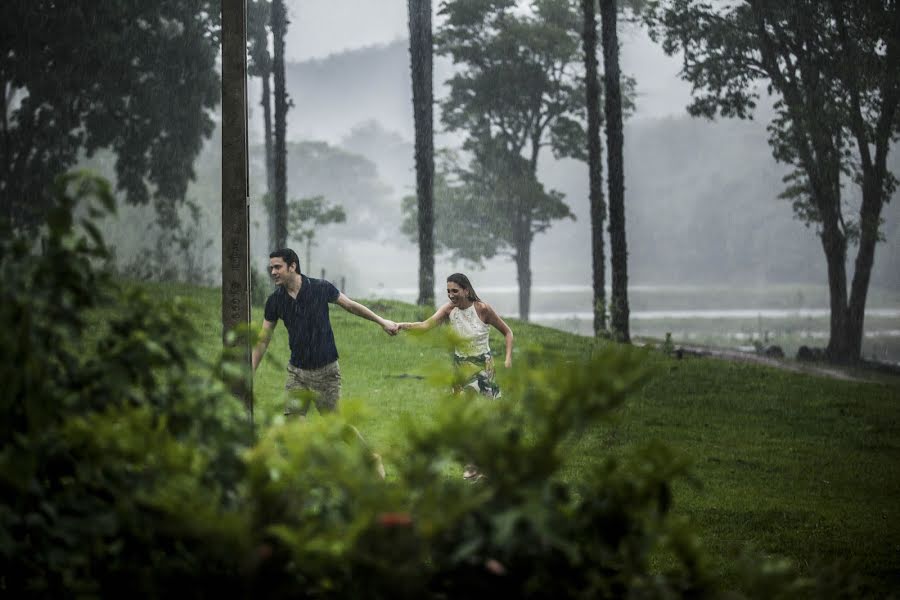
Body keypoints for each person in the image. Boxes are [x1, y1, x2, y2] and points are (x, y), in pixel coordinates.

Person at [251, 248, 397, 476]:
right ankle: (309, 471)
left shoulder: (319, 288)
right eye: (271, 268)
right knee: (293, 423)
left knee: (337, 426)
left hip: (326, 372)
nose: (273, 272)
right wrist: (249, 371)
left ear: (293, 266)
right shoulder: (275, 301)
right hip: (297, 372)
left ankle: (370, 458)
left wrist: (381, 321)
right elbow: (263, 339)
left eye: (277, 267)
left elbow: (350, 305)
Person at [397, 273, 514, 481]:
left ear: (466, 290)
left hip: (482, 369)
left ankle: (482, 464)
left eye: (455, 291)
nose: (451, 295)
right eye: (448, 291)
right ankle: (473, 465)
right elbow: (425, 326)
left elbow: (507, 332)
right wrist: (400, 325)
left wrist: (507, 359)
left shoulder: (482, 309)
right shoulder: (449, 310)